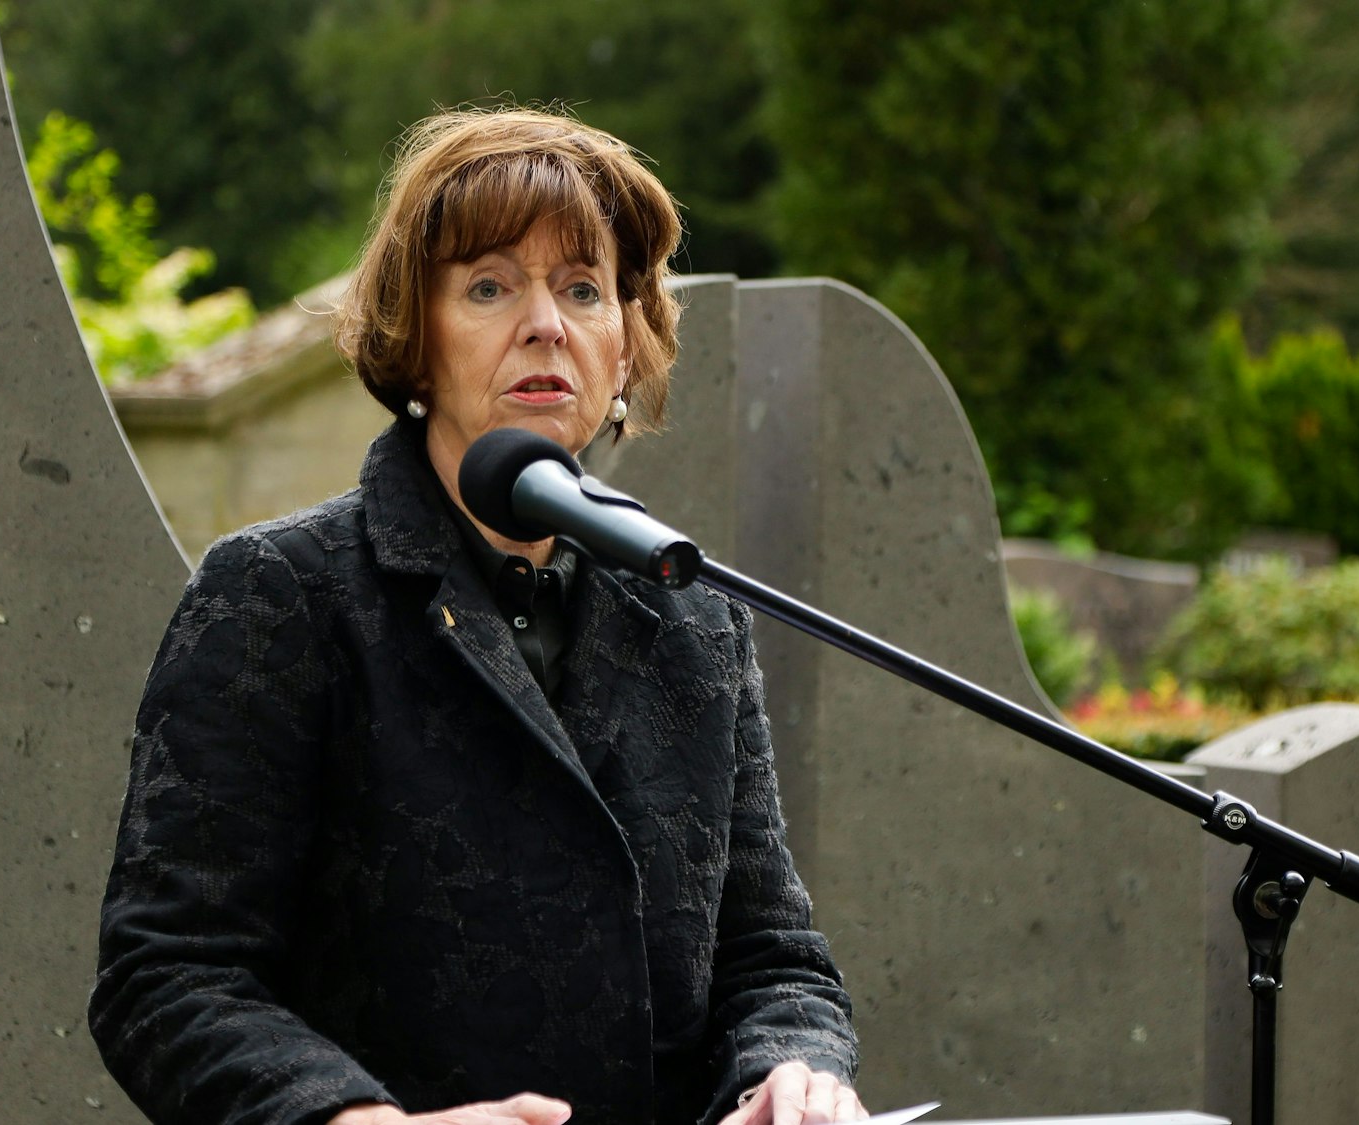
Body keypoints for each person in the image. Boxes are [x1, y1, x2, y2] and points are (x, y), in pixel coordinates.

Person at [89, 107, 865, 1125]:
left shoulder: (693, 615)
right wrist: (360, 1123)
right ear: (415, 340)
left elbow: (770, 958)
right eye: (490, 287)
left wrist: (790, 1073)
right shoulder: (279, 592)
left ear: (624, 348)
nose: (546, 324)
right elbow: (166, 973)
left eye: (582, 289)